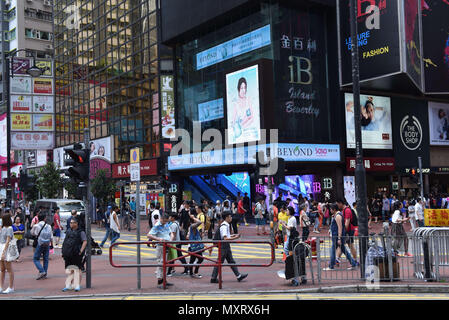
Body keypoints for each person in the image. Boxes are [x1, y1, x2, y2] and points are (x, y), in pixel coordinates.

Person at [210, 211, 248, 283]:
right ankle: (213, 278)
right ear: (227, 217)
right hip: (224, 246)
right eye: (230, 217)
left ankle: (238, 276)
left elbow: (227, 236)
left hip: (225, 245)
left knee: (231, 261)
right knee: (219, 262)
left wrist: (234, 235)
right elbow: (225, 238)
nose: (231, 218)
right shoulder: (224, 226)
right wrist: (235, 238)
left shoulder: (226, 225)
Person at [323, 204, 358, 271]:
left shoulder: (338, 216)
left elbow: (340, 228)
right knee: (344, 250)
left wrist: (339, 238)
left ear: (334, 209)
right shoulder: (337, 215)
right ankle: (353, 263)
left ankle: (331, 266)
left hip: (337, 236)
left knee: (333, 250)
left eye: (331, 209)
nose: (330, 210)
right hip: (337, 236)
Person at [147, 213, 174, 288]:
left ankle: (164, 280)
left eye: (166, 221)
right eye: (164, 221)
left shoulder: (166, 224)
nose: (165, 223)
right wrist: (158, 239)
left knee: (165, 263)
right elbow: (149, 235)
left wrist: (171, 238)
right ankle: (160, 279)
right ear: (161, 219)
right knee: (161, 262)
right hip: (161, 246)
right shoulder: (157, 226)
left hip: (167, 245)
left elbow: (170, 232)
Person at [61, 217, 87, 292]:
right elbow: (65, 241)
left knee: (78, 269)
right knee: (70, 269)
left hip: (76, 253)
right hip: (68, 253)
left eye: (73, 223)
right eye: (70, 223)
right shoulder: (68, 231)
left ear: (76, 223)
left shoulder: (81, 232)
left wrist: (81, 251)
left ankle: (77, 285)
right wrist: (64, 251)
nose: (71, 224)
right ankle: (69, 285)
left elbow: (85, 241)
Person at [31, 213, 53, 280]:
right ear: (45, 218)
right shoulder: (49, 226)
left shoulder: (36, 226)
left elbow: (32, 233)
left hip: (40, 243)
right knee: (46, 259)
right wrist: (52, 244)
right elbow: (51, 236)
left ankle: (42, 271)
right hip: (47, 243)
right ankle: (45, 273)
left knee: (35, 258)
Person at [0, 214, 15, 293]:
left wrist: (3, 252)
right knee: (2, 269)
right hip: (1, 247)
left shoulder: (9, 228)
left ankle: (11, 287)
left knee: (9, 269)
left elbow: (8, 240)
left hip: (6, 248)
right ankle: (1, 287)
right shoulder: (3, 228)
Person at [187, 214, 204, 278]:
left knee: (192, 259)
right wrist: (193, 217)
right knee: (200, 259)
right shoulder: (192, 226)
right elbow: (199, 222)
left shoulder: (191, 227)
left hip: (194, 246)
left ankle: (192, 272)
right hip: (196, 247)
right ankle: (195, 272)